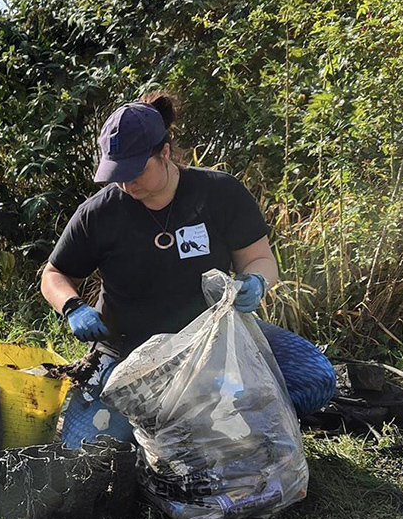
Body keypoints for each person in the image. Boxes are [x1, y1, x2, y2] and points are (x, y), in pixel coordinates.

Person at [42, 93, 335, 446]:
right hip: (129, 351)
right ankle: (193, 425)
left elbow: (260, 259)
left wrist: (256, 281)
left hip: (216, 342)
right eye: (116, 174)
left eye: (136, 171)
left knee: (314, 378)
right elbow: (54, 275)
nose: (126, 183)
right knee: (85, 443)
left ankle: (221, 425)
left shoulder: (219, 193)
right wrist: (73, 307)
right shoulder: (99, 213)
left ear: (164, 152)